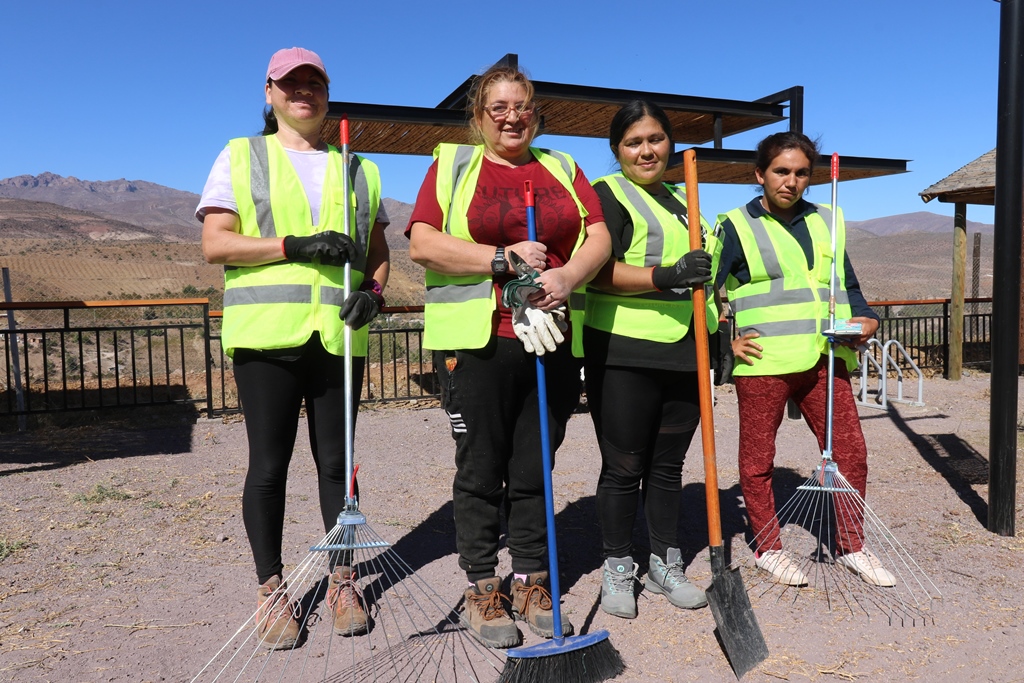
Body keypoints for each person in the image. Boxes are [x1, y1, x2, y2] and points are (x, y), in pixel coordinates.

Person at [407, 64, 610, 648]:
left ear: (534, 112)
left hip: (547, 339)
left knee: (533, 467)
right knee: (480, 469)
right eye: (498, 107)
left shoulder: (562, 168)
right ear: (479, 115)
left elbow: (597, 234)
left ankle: (531, 578)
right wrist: (501, 258)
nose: (511, 116)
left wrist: (569, 275)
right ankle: (481, 586)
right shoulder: (453, 165)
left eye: (520, 106)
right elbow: (424, 243)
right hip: (477, 343)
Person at [197, 47, 391, 649]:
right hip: (267, 339)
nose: (302, 93)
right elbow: (215, 244)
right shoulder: (240, 155)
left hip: (338, 337)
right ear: (270, 92)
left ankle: (342, 580)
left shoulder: (360, 169)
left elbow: (377, 252)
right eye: (291, 84)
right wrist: (294, 246)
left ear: (327, 94)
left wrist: (376, 294)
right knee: (269, 466)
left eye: (314, 83)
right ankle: (271, 589)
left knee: (337, 467)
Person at [715, 131, 895, 588]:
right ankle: (769, 548)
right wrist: (725, 344)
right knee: (758, 460)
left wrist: (866, 319)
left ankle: (851, 544)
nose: (791, 181)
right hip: (764, 363)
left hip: (825, 357)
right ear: (760, 174)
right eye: (781, 171)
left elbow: (847, 284)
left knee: (850, 451)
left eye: (801, 173)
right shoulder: (736, 225)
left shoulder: (828, 220)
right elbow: (705, 293)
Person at [584, 100, 718, 619]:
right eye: (634, 142)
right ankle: (618, 566)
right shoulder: (607, 195)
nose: (647, 150)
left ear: (671, 144)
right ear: (618, 150)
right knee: (623, 467)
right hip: (623, 352)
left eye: (656, 139)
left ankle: (665, 563)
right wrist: (666, 275)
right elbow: (596, 272)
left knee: (667, 468)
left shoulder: (687, 200)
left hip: (686, 350)